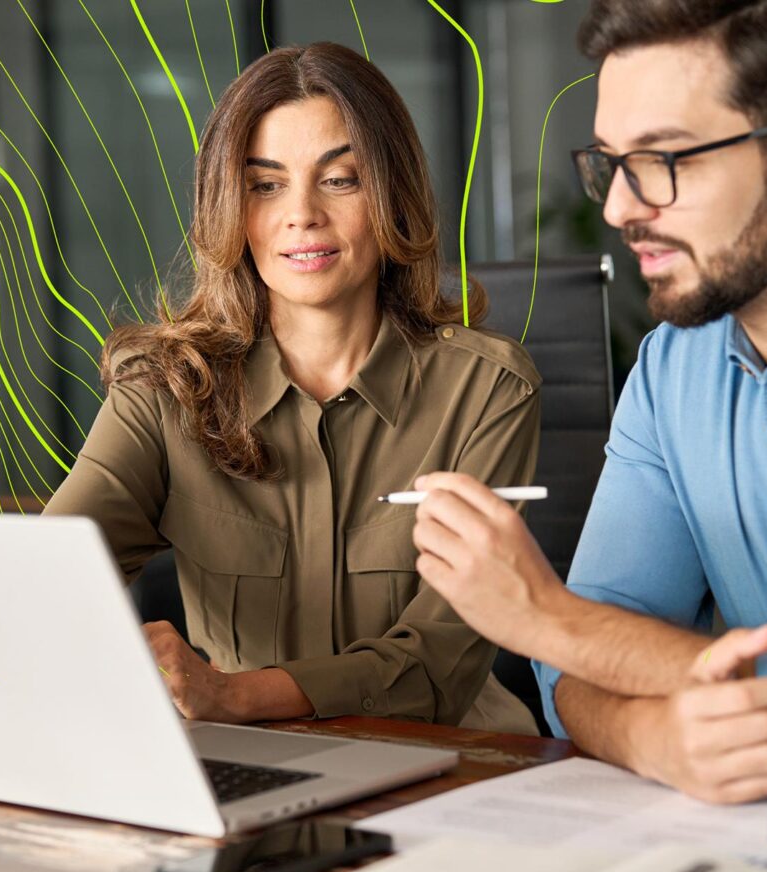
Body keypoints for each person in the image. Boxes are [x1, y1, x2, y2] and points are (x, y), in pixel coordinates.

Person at [412, 0, 767, 802]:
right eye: (611, 162)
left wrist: (545, 616)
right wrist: (651, 737)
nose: (617, 209)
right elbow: (573, 674)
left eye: (664, 161)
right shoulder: (673, 367)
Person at [44, 42, 542, 736]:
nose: (301, 214)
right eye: (265, 184)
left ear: (391, 193)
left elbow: (439, 658)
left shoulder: (486, 388)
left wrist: (236, 696)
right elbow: (48, 573)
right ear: (230, 204)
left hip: (452, 762)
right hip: (246, 771)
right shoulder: (161, 392)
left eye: (340, 179)